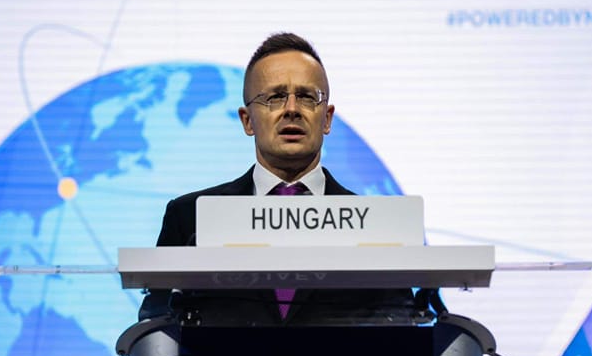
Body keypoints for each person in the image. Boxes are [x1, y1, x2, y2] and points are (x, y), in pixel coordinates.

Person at [138, 32, 430, 326]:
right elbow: (157, 329)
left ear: (327, 119)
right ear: (247, 120)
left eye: (307, 97)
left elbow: (401, 330)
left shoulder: (375, 228)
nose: (292, 109)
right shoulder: (190, 220)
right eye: (275, 97)